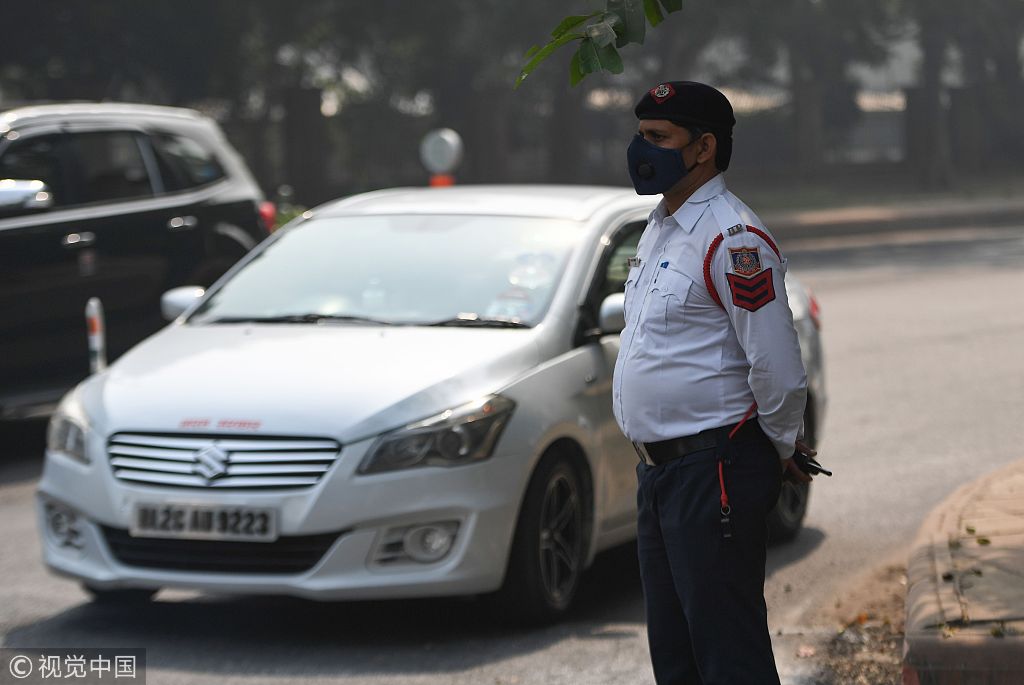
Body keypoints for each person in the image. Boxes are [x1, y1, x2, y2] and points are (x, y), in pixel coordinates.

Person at [612, 80, 817, 684]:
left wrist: (776, 449)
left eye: (657, 137)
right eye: (640, 134)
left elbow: (778, 368)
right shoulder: (660, 226)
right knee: (677, 659)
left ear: (703, 148)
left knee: (729, 655)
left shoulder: (733, 238)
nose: (639, 149)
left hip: (714, 468)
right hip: (660, 472)